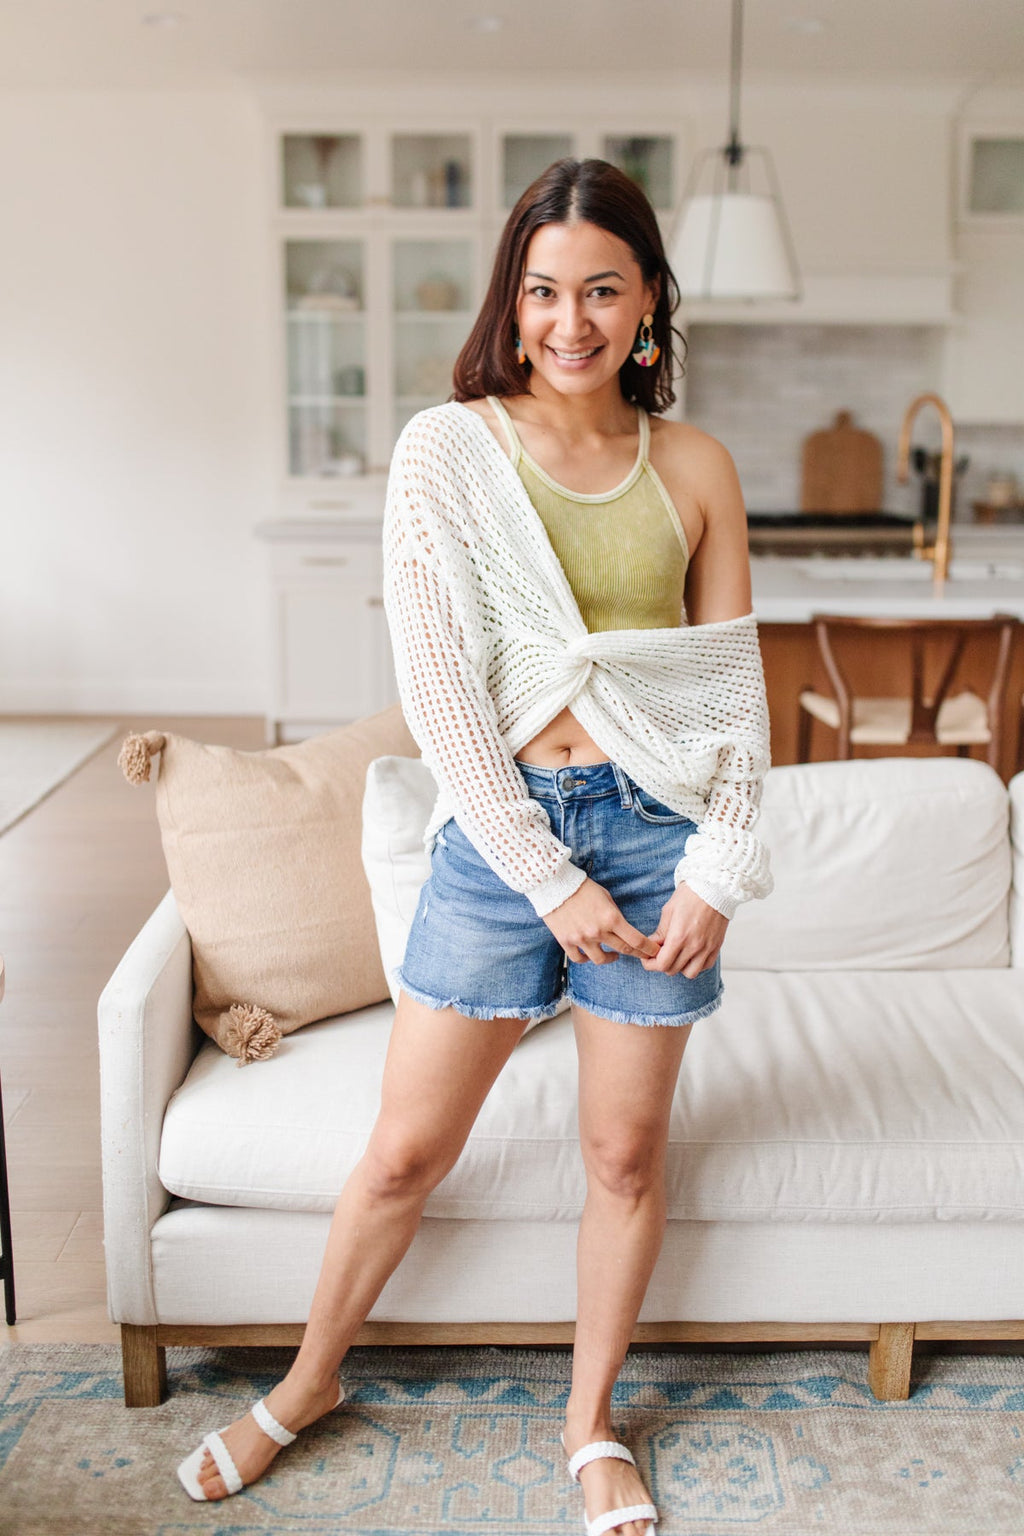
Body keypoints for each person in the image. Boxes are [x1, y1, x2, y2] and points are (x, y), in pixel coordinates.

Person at [177, 158, 772, 1536]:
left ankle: (589, 1429)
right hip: (505, 846)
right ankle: (305, 1386)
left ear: (647, 306)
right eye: (545, 290)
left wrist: (717, 869)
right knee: (400, 1155)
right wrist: (545, 878)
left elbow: (733, 708)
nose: (571, 321)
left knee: (625, 1158)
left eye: (602, 291)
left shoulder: (693, 466)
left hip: (656, 843)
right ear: (512, 302)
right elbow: (441, 696)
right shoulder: (450, 449)